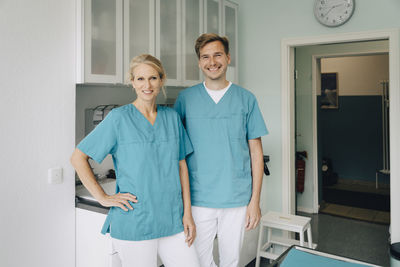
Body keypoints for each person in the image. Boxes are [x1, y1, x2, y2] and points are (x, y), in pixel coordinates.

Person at [71, 54, 200, 267]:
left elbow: (181, 166)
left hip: (172, 219)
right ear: (132, 82)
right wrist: (103, 197)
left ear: (162, 80)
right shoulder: (118, 118)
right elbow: (78, 157)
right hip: (135, 219)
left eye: (153, 78)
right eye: (140, 79)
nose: (147, 85)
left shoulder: (172, 118)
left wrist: (187, 214)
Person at [174, 33, 268, 267]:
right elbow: (176, 153)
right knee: (198, 259)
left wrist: (254, 201)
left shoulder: (246, 99)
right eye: (205, 56)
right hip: (197, 197)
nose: (212, 61)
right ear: (199, 62)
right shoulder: (185, 99)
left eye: (217, 55)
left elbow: (256, 153)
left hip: (236, 197)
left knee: (231, 260)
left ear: (228, 57)